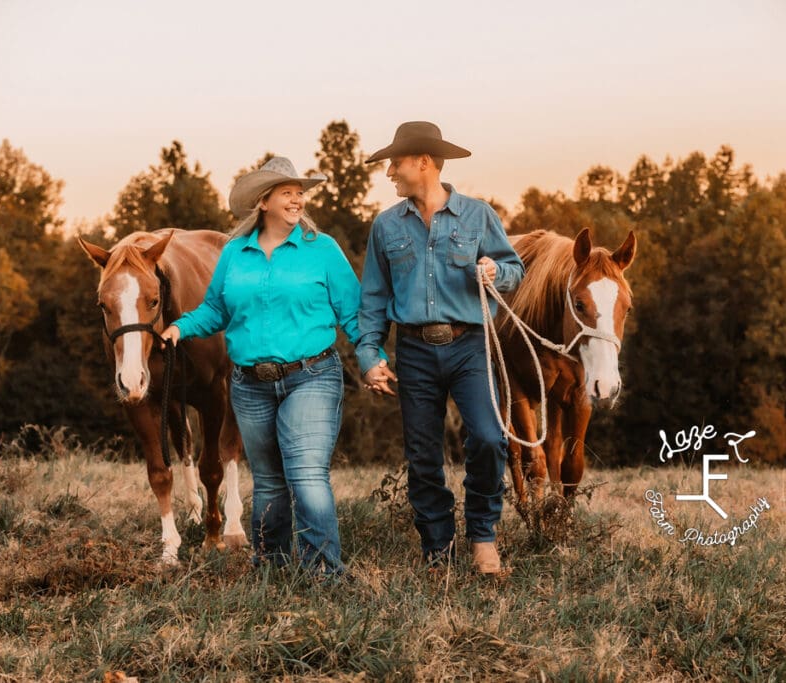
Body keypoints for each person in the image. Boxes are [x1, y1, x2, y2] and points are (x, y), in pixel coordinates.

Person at [161, 156, 378, 577]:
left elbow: (353, 313)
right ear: (263, 201)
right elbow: (215, 310)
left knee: (306, 474)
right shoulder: (235, 253)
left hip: (311, 376)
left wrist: (372, 361)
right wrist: (179, 328)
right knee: (268, 479)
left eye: (300, 193)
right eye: (287, 193)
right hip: (249, 384)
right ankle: (272, 568)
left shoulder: (322, 249)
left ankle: (323, 574)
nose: (298, 199)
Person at [356, 122, 525, 575]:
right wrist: (370, 355)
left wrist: (496, 271)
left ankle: (483, 536)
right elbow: (372, 297)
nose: (389, 171)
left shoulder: (478, 215)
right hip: (413, 351)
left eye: (396, 162)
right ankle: (437, 547)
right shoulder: (386, 225)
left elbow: (514, 268)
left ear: (424, 162)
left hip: (469, 345)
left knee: (489, 438)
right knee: (423, 453)